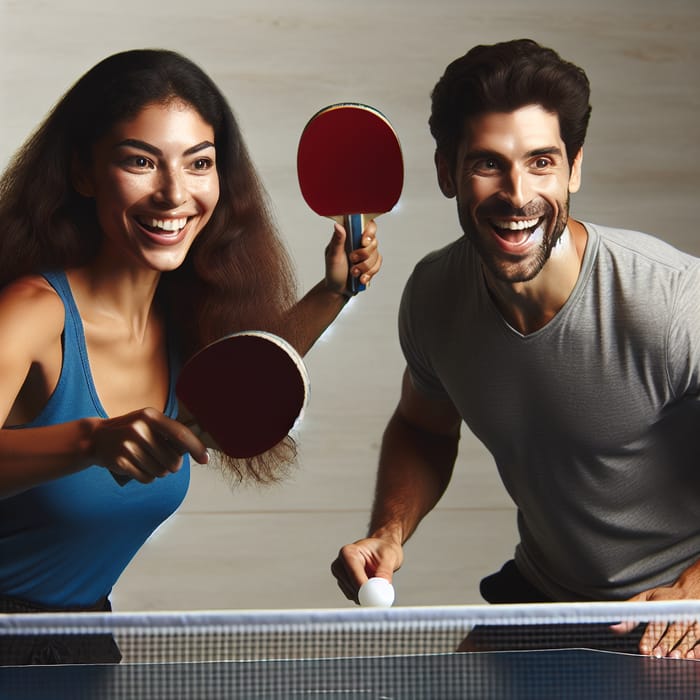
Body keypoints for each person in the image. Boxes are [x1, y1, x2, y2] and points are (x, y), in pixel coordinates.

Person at [0, 48, 382, 664]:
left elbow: (250, 377)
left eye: (198, 163)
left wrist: (333, 292)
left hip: (82, 638)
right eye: (140, 161)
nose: (174, 193)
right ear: (83, 172)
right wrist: (90, 441)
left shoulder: (181, 323)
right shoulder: (32, 312)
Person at [331, 39, 700, 659]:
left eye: (541, 162)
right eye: (488, 164)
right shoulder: (433, 297)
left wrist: (696, 589)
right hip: (548, 593)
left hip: (672, 601)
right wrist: (390, 531)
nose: (517, 193)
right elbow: (423, 428)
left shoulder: (670, 302)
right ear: (447, 171)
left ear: (574, 168)